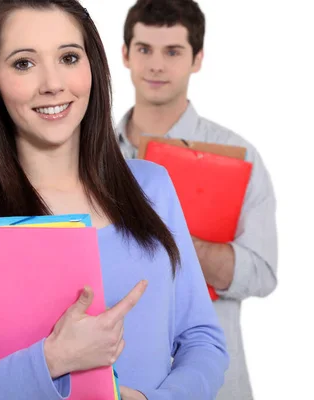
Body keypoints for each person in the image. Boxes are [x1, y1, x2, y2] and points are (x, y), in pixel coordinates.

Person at [0, 0, 229, 399]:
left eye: (69, 57)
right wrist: (52, 360)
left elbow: (203, 341)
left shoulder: (152, 187)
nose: (53, 83)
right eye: (24, 63)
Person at [116, 1, 278, 399]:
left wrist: (169, 237)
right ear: (125, 54)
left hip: (214, 381)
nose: (156, 65)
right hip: (116, 378)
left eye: (172, 51)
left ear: (198, 59)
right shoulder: (86, 153)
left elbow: (261, 272)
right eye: (144, 49)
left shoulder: (237, 155)